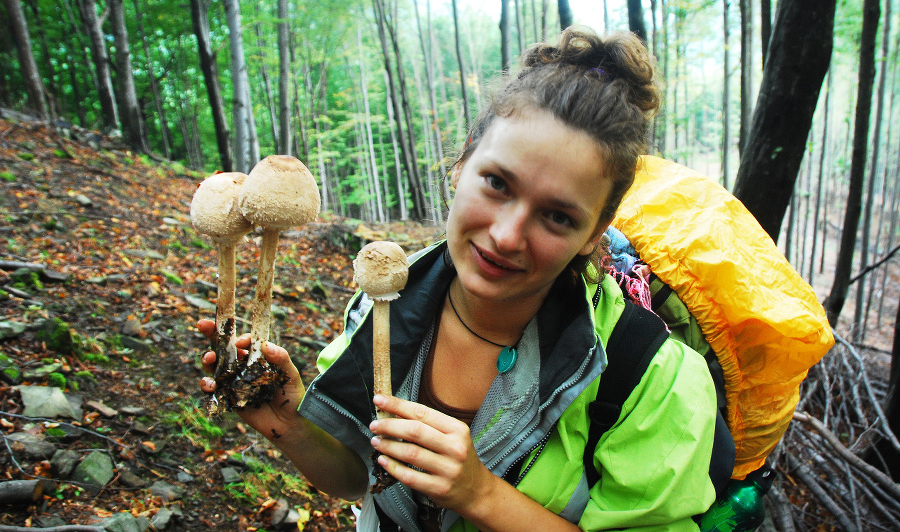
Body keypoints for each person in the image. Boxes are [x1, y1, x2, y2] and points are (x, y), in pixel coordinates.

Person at [198, 26, 719, 531]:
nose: (508, 235)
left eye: (558, 216)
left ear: (595, 231)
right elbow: (361, 478)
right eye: (496, 183)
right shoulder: (384, 302)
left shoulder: (649, 378)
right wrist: (290, 425)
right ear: (462, 162)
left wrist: (481, 494)